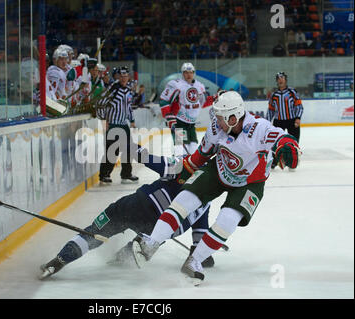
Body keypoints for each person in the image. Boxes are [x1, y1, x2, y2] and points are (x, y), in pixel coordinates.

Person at [131, 91, 301, 283]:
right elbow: (201, 155)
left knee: (228, 221)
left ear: (233, 117)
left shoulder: (258, 128)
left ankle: (195, 260)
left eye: (220, 117)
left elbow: (284, 139)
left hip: (250, 183)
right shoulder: (216, 127)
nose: (216, 121)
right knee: (183, 200)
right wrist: (186, 170)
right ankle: (151, 243)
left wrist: (289, 148)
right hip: (219, 170)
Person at [39, 148, 215, 280]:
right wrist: (203, 257)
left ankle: (59, 260)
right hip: (156, 230)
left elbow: (154, 162)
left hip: (137, 204)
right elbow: (200, 237)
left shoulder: (188, 163)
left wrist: (132, 147)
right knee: (146, 243)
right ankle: (121, 258)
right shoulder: (208, 199)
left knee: (95, 232)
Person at [159, 62, 213, 156]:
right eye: (186, 72)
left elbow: (201, 103)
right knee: (180, 149)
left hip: (191, 124)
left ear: (194, 73)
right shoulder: (176, 84)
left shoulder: (199, 86)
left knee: (193, 148)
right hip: (179, 122)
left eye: (191, 72)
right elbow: (164, 101)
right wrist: (168, 116)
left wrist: (215, 98)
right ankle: (179, 167)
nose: (188, 74)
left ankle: (188, 168)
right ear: (182, 73)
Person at [97, 66, 139, 184]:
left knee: (128, 150)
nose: (123, 78)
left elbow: (128, 106)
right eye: (121, 76)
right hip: (113, 124)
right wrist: (104, 120)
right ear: (117, 76)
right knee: (112, 151)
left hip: (123, 124)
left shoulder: (128, 89)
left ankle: (126, 174)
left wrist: (132, 120)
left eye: (125, 76)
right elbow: (101, 103)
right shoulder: (114, 88)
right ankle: (104, 175)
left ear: (128, 77)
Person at [267, 72, 303, 170]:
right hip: (278, 122)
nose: (280, 80)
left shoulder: (292, 92)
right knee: (275, 143)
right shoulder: (274, 95)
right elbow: (271, 110)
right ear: (276, 81)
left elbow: (299, 106)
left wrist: (298, 118)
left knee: (294, 142)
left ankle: (292, 162)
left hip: (292, 121)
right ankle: (274, 161)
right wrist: (267, 123)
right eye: (278, 78)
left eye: (282, 78)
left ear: (285, 80)